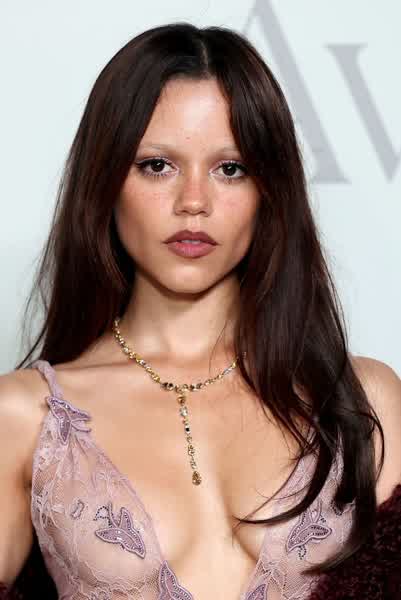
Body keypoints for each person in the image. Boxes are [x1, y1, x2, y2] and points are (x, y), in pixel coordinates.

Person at [0, 22, 400, 600]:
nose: (194, 201)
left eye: (230, 168)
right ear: (105, 180)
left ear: (270, 191)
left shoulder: (364, 401)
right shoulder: (22, 417)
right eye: (157, 165)